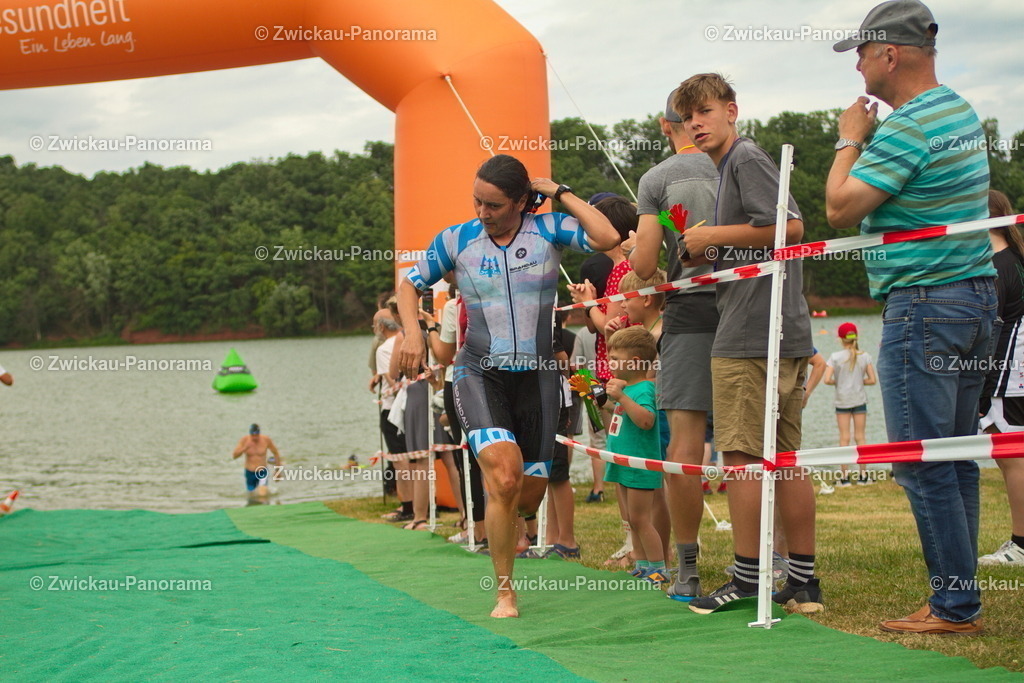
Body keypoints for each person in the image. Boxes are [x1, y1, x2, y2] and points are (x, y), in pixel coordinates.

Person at [826, 0, 996, 634]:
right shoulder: (959, 110)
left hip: (924, 303)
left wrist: (849, 138)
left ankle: (954, 605)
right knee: (953, 458)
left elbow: (840, 209)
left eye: (863, 54)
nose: (860, 67)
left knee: (920, 461)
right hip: (972, 300)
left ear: (889, 54)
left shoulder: (906, 126)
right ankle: (959, 598)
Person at [397, 153, 618, 618]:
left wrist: (558, 191)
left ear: (521, 201)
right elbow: (407, 284)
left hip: (538, 377)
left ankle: (510, 515)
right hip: (479, 372)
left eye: (494, 205)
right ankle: (504, 592)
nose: (483, 212)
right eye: (477, 201)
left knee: (528, 494)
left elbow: (607, 237)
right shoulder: (456, 240)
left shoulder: (549, 229)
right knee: (504, 475)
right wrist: (414, 333)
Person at [673, 73, 821, 614]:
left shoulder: (746, 159)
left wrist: (711, 235)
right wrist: (708, 248)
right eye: (687, 116)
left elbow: (791, 228)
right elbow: (762, 240)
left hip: (751, 334)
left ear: (731, 111)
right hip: (779, 328)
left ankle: (747, 577)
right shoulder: (732, 167)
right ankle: (802, 579)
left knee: (740, 455)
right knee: (784, 456)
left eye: (704, 111)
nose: (695, 123)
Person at [628, 87, 721, 600]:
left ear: (667, 128)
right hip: (746, 309)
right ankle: (777, 564)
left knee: (684, 446)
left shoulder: (658, 177)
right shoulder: (743, 161)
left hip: (688, 316)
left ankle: (687, 567)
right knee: (757, 443)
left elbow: (642, 267)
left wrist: (647, 249)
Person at [978, 190, 1024, 567]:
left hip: (1007, 374)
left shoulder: (997, 266)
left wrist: (977, 381)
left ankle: (1021, 544)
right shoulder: (1018, 259)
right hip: (1016, 370)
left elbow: (989, 331)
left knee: (1012, 458)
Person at [603, 327, 667, 584]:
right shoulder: (627, 389)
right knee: (632, 518)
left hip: (639, 464)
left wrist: (620, 397)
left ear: (636, 362)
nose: (610, 363)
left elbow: (646, 420)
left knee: (642, 519)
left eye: (616, 359)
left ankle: (659, 568)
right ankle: (642, 564)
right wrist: (603, 401)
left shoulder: (644, 389)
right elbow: (622, 413)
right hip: (622, 461)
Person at [824, 322, 877, 486]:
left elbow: (826, 380)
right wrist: (858, 382)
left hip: (842, 401)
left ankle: (845, 477)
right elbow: (872, 380)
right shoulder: (865, 356)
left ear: (840, 338)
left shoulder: (835, 357)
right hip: (859, 399)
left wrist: (840, 382)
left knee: (844, 438)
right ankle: (863, 477)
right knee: (860, 437)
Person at [371, 308, 411, 514]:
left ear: (382, 326)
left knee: (398, 459)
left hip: (392, 409)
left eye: (374, 324)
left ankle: (408, 506)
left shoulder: (384, 348)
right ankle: (413, 503)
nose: (374, 329)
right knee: (410, 457)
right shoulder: (408, 339)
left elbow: (391, 378)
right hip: (409, 406)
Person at [232, 424, 282, 499]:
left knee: (262, 495)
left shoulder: (266, 440)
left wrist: (277, 471)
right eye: (253, 435)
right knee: (252, 496)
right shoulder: (244, 440)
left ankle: (264, 507)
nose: (255, 437)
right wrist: (244, 448)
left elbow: (276, 453)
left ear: (259, 433)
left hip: (262, 471)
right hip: (249, 472)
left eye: (257, 435)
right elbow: (234, 456)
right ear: (250, 434)